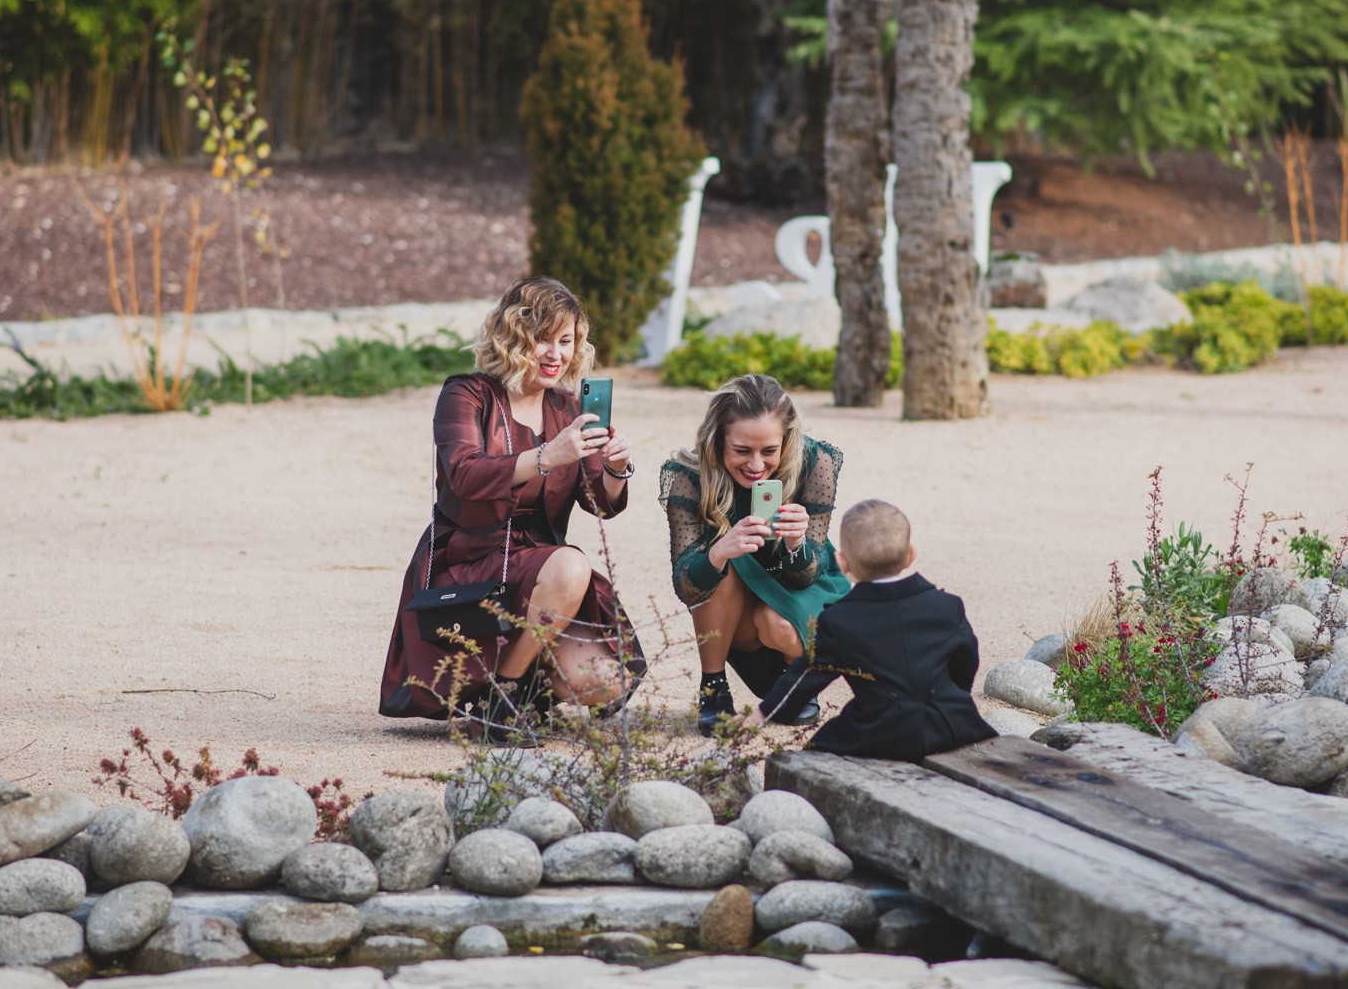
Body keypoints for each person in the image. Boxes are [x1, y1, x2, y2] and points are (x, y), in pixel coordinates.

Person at [379, 277, 643, 741]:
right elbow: (463, 473)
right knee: (570, 564)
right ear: (514, 335)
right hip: (471, 560)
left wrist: (617, 469)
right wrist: (547, 456)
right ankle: (506, 695)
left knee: (606, 684)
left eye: (566, 341)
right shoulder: (467, 394)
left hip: (543, 575)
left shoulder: (566, 407)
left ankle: (523, 683)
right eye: (543, 338)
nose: (555, 354)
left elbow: (600, 504)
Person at [660, 373, 852, 734]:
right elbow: (687, 587)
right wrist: (718, 553)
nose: (756, 464)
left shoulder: (815, 462)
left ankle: (795, 685)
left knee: (775, 623)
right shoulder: (689, 475)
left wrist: (797, 544)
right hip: (732, 610)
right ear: (718, 440)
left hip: (796, 592)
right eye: (742, 450)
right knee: (722, 566)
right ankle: (713, 691)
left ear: (786, 439)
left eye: (769, 450)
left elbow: (807, 575)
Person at [746, 498, 996, 761]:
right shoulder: (947, 605)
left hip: (884, 732)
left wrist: (765, 712)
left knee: (820, 745)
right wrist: (954, 695)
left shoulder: (840, 620)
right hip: (955, 724)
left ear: (843, 564)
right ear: (910, 555)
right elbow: (967, 659)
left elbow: (806, 676)